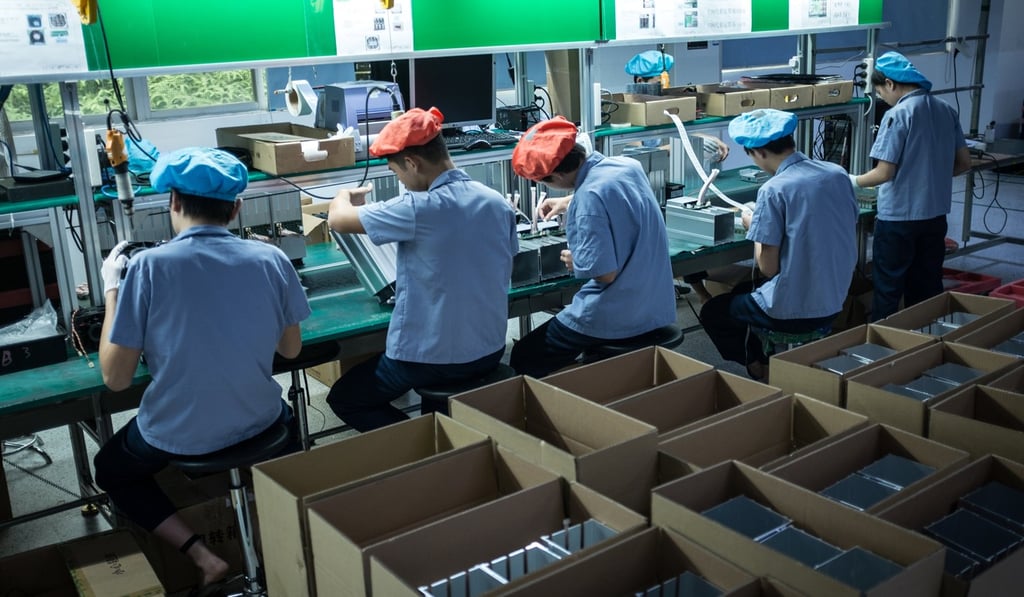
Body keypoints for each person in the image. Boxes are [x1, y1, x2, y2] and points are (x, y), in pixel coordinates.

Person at [94, 147, 311, 592]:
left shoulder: (146, 267)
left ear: (172, 202)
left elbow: (115, 379)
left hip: (180, 433)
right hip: (262, 421)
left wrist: (112, 287)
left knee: (111, 469)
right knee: (287, 430)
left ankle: (203, 556)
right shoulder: (270, 259)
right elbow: (290, 350)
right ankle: (283, 537)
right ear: (237, 207)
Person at [325, 107, 517, 431]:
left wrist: (343, 195)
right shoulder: (496, 201)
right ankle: (443, 436)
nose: (399, 180)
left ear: (413, 163)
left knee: (345, 398)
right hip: (489, 348)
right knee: (438, 392)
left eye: (396, 172)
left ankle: (423, 442)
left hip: (431, 359)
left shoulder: (417, 208)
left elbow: (337, 219)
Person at [509, 116, 677, 377]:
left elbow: (604, 273)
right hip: (656, 304)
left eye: (545, 182)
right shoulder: (627, 166)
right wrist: (569, 200)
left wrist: (576, 261)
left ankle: (584, 391)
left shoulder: (588, 201)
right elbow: (608, 191)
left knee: (525, 356)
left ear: (558, 174)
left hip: (619, 312)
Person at [700, 109, 857, 380]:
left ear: (758, 152)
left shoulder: (774, 190)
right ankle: (768, 360)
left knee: (714, 312)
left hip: (795, 307)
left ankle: (757, 368)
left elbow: (768, 268)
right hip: (834, 297)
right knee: (741, 289)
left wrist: (755, 227)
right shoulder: (836, 173)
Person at [849, 51, 971, 320]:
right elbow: (963, 163)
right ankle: (923, 346)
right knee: (926, 290)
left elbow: (883, 173)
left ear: (890, 84)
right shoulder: (946, 109)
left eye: (880, 92)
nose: (881, 98)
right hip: (935, 217)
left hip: (898, 221)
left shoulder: (898, 114)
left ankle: (881, 351)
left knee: (888, 291)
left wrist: (851, 181)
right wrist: (930, 177)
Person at [625, 49, 730, 303]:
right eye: (656, 81)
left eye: (665, 80)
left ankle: (701, 292)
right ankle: (659, 291)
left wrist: (707, 139)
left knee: (688, 235)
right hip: (641, 189)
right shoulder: (628, 111)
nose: (662, 86)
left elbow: (680, 129)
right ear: (639, 82)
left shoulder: (663, 106)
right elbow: (633, 153)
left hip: (668, 185)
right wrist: (673, 148)